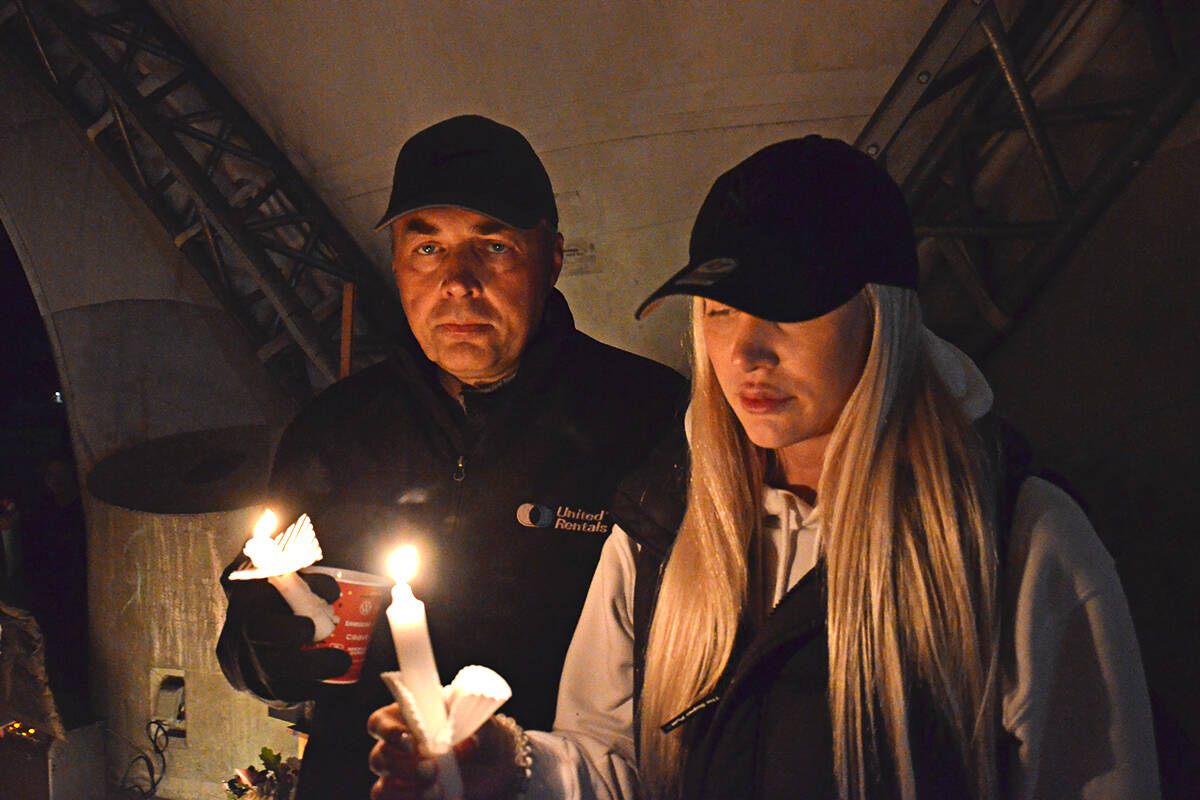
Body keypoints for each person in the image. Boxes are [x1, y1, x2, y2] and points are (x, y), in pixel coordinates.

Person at [366, 136, 1161, 799]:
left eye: (785, 308)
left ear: (880, 313)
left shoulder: (1013, 535)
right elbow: (613, 761)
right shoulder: (664, 524)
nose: (744, 352)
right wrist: (515, 764)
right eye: (719, 312)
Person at [216, 115, 686, 799]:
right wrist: (266, 646)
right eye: (428, 248)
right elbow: (248, 658)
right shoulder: (337, 428)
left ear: (552, 257)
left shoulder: (643, 416)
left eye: (492, 246)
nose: (458, 282)